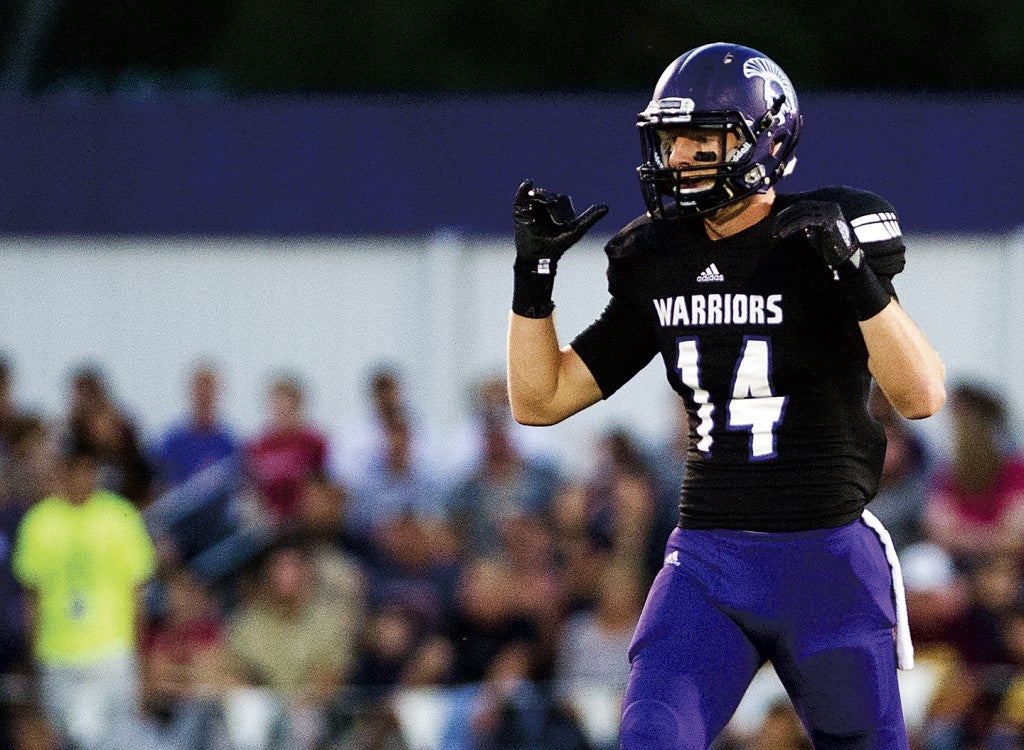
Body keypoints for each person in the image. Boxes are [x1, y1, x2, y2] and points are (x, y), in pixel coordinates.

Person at [506, 42, 946, 749]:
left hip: (826, 561)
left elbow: (921, 394)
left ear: (764, 139)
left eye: (700, 138)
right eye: (671, 137)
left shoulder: (824, 233)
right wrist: (535, 277)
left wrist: (856, 275)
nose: (677, 155)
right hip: (708, 559)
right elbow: (541, 398)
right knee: (651, 736)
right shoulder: (659, 256)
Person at [11, 438, 156, 749]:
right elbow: (31, 598)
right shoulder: (39, 521)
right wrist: (32, 654)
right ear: (62, 471)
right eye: (73, 470)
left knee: (118, 739)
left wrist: (140, 660)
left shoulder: (121, 516)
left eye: (88, 469)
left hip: (112, 651)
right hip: (58, 653)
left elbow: (137, 594)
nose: (81, 478)